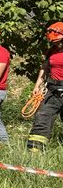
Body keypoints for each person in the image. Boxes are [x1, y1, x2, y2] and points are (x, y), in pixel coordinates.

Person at [26, 22, 63, 150]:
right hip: (53, 90)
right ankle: (34, 150)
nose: (56, 44)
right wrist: (37, 85)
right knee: (42, 117)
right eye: (54, 42)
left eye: (58, 41)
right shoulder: (52, 51)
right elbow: (45, 68)